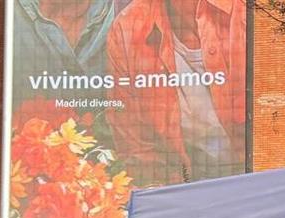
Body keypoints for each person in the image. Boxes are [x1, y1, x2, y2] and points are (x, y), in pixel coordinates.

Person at [106, 0, 247, 186]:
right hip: (186, 192)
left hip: (264, 182)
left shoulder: (250, 12)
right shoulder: (127, 28)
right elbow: (138, 153)